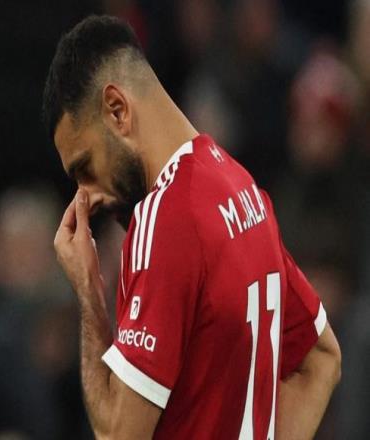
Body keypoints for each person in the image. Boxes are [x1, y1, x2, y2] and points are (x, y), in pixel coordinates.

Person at [42, 15, 341, 439]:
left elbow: (117, 434)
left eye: (85, 167)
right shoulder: (241, 187)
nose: (87, 197)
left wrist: (89, 293)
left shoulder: (164, 218)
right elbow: (321, 359)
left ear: (117, 110)